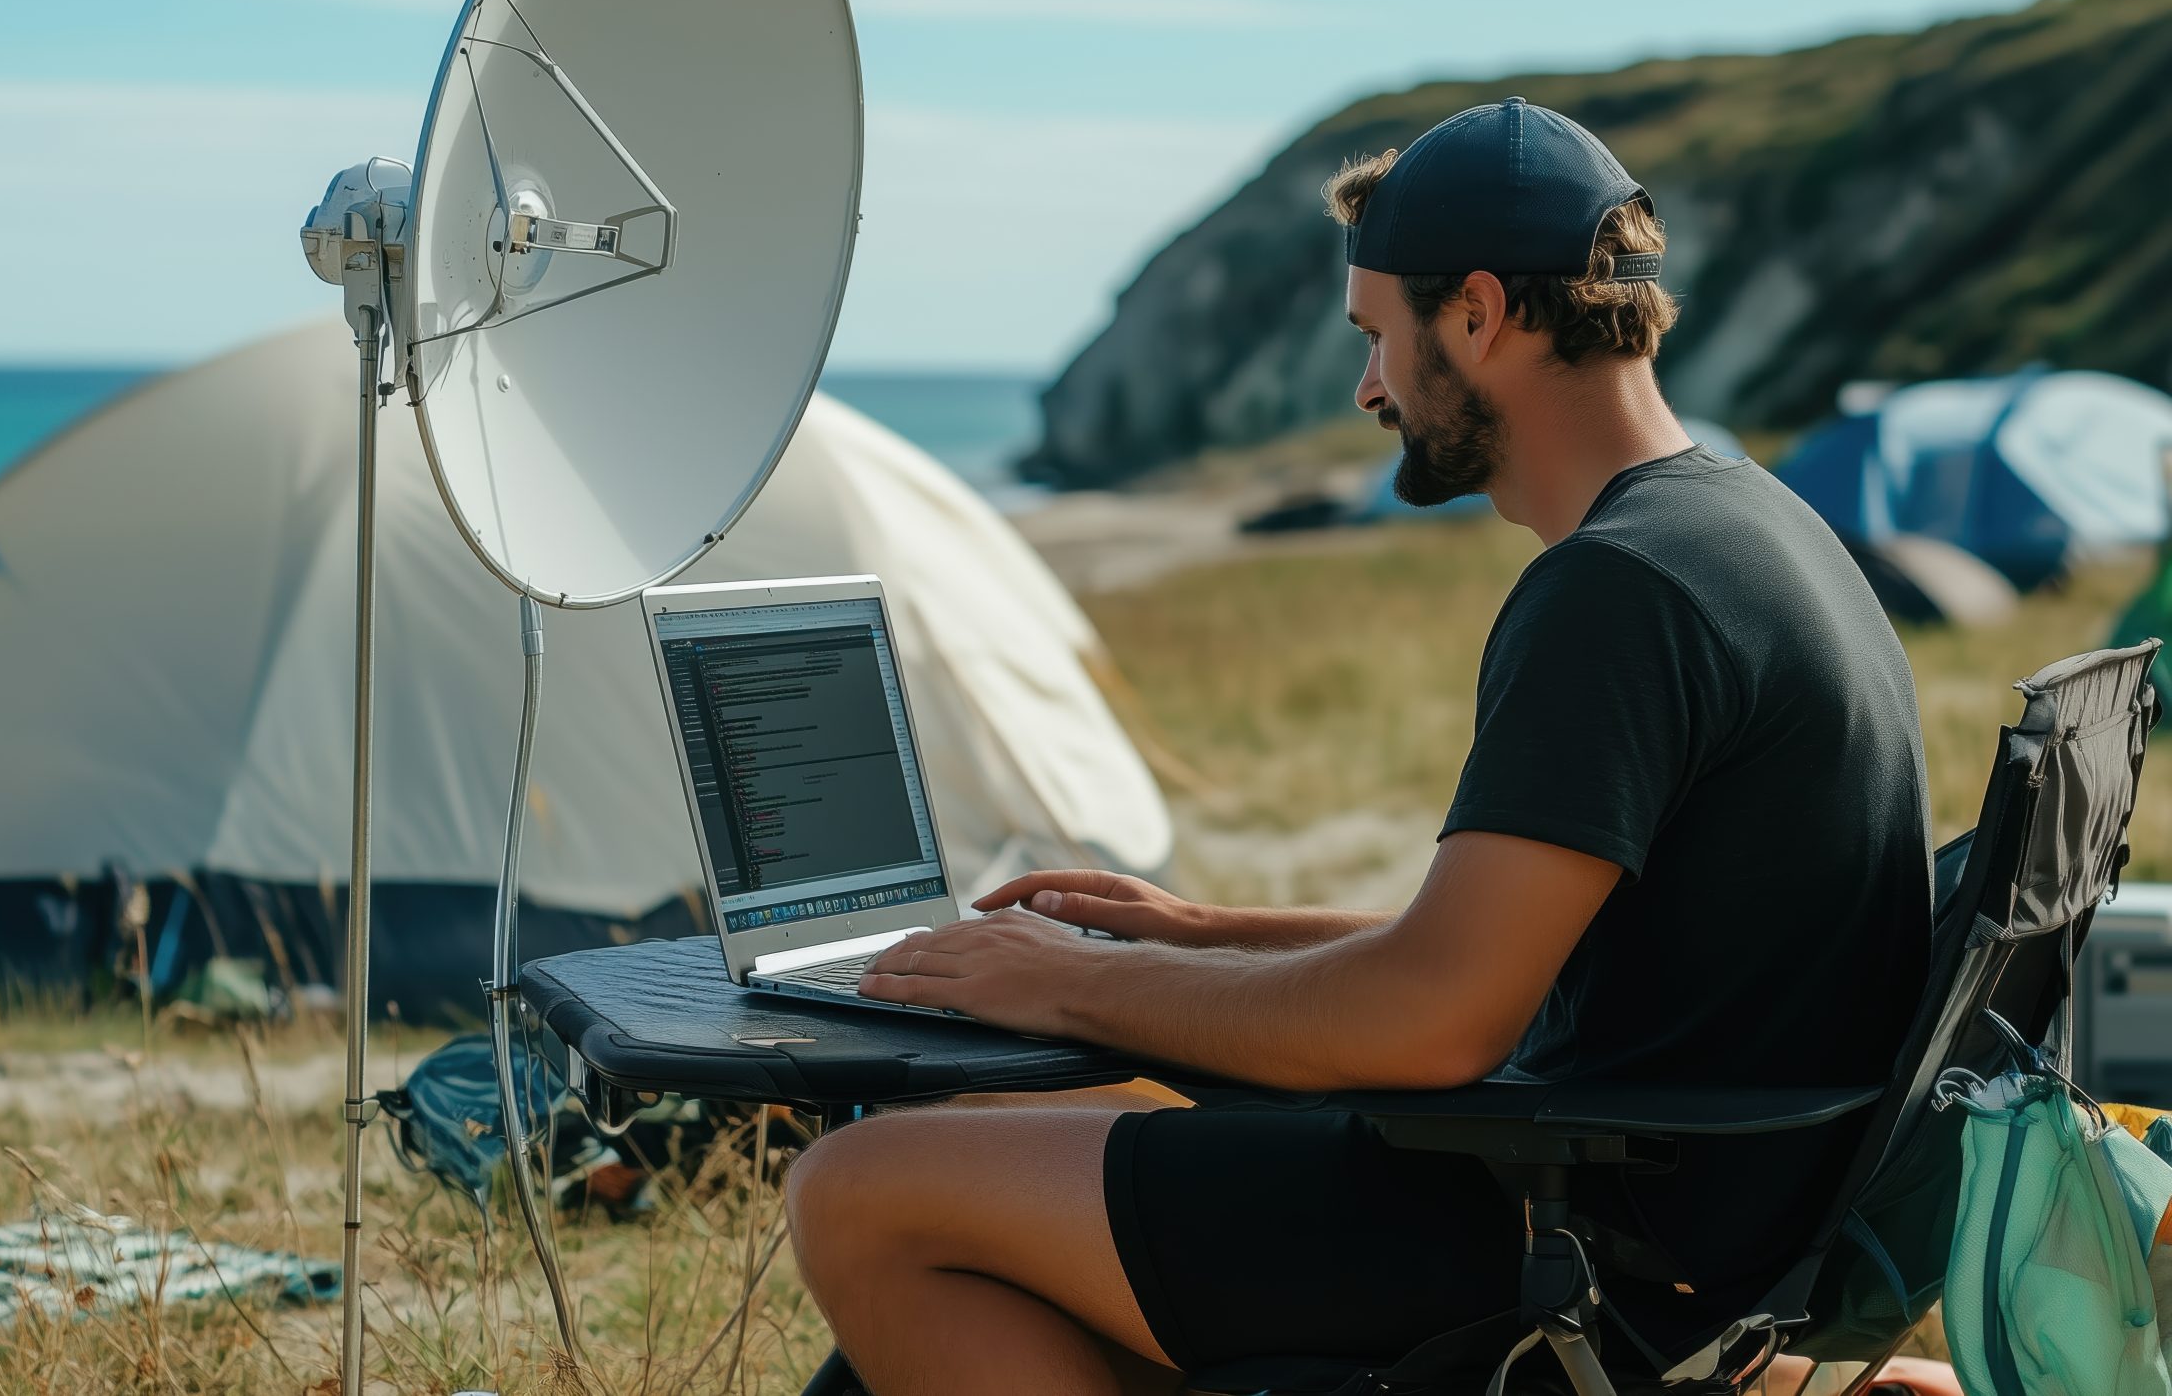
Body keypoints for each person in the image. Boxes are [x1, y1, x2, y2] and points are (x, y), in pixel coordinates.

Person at [782, 97, 1936, 1396]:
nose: (1368, 386)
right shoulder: (1743, 530)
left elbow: (1432, 1020)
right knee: (1018, 1140)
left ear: (1481, 317)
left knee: (862, 1192)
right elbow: (1496, 955)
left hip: (1570, 1247)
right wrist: (1196, 934)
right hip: (1664, 1210)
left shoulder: (1624, 590)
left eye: (1379, 335)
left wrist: (1062, 983)